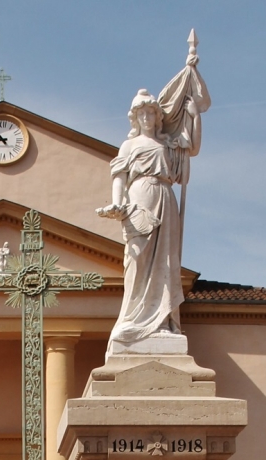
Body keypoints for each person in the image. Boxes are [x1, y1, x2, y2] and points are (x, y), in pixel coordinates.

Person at [97, 89, 201, 348]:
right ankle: (133, 318)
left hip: (165, 197)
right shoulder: (129, 145)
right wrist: (118, 203)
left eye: (150, 112)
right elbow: (119, 177)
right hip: (139, 198)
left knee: (166, 261)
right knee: (137, 258)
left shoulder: (167, 144)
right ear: (135, 118)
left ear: (157, 116)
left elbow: (193, 149)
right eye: (141, 113)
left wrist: (194, 117)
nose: (146, 117)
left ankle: (162, 321)